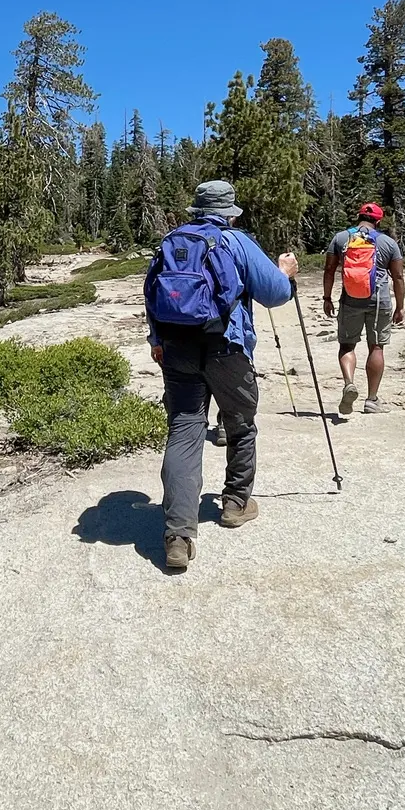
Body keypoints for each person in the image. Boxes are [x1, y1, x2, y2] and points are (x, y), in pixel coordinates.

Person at [145, 180, 298, 574]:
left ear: (196, 209)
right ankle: (235, 503)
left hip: (177, 349)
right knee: (240, 423)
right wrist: (286, 272)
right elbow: (277, 293)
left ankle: (178, 536)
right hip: (227, 348)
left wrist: (157, 339)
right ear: (229, 212)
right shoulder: (235, 241)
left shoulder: (172, 241)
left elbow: (151, 294)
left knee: (184, 431)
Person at [321, 201, 405, 415]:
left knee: (347, 345)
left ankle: (349, 382)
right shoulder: (388, 242)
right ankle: (371, 400)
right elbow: (398, 276)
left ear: (359, 217)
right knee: (376, 347)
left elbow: (329, 270)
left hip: (350, 298)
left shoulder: (340, 238)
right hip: (379, 300)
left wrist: (327, 297)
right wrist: (400, 307)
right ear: (378, 220)